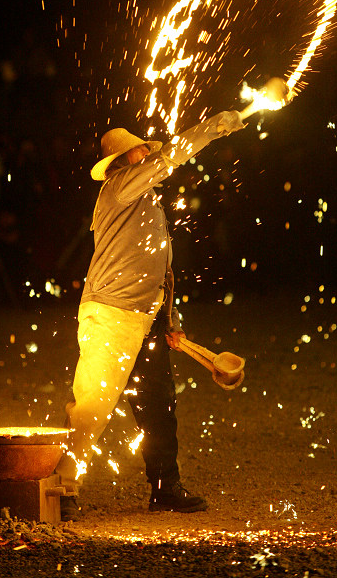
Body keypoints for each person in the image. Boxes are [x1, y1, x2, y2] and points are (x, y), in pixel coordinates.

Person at [56, 110, 244, 520]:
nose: (145, 152)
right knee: (92, 407)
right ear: (121, 163)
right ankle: (60, 489)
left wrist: (168, 318)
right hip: (111, 314)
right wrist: (214, 126)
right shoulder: (120, 188)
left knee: (160, 404)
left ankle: (164, 487)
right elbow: (172, 157)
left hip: (146, 315)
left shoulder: (147, 199)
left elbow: (161, 263)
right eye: (136, 150)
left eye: (142, 147)